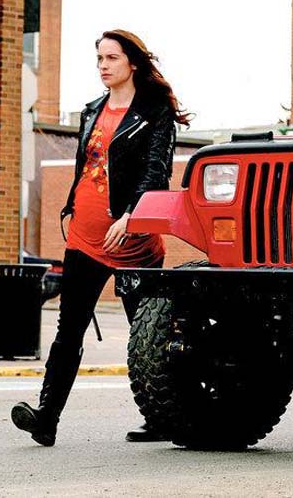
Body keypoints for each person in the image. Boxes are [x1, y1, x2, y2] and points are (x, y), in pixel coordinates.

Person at [11, 29, 190, 446]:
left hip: (132, 240)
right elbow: (85, 166)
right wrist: (73, 205)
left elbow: (156, 172)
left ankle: (164, 416)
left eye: (111, 58)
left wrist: (130, 216)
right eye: (99, 59)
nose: (103, 66)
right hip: (84, 237)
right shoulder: (92, 110)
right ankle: (46, 418)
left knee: (147, 336)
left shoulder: (154, 111)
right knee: (68, 330)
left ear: (132, 62)